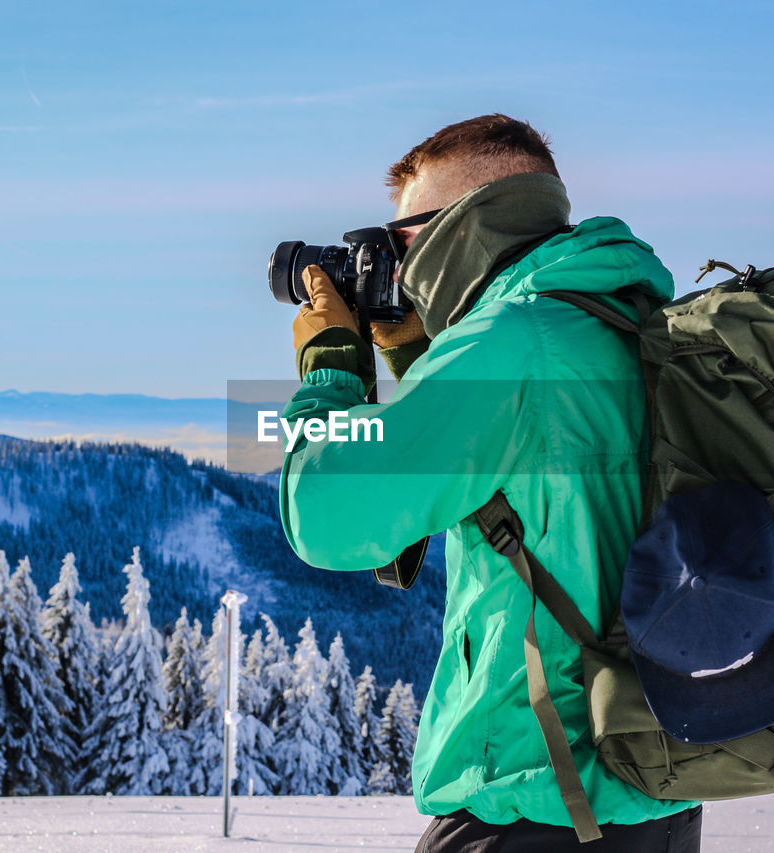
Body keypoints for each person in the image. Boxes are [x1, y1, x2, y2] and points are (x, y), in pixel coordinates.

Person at [279, 114, 702, 852]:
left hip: (533, 798)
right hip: (653, 798)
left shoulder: (509, 339)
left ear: (460, 228)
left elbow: (328, 514)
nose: (396, 269)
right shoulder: (624, 316)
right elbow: (519, 469)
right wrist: (419, 361)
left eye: (400, 241)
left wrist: (332, 371)